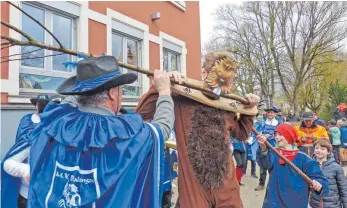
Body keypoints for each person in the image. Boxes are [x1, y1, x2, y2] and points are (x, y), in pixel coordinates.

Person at [11, 56, 185, 207]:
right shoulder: (129, 136)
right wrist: (163, 91)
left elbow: (66, 104)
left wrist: (85, 82)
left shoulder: (53, 124)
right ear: (112, 93)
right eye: (120, 90)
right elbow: (161, 128)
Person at [135, 52, 260, 207]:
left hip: (227, 191)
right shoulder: (182, 98)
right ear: (204, 73)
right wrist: (161, 88)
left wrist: (249, 110)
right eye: (218, 79)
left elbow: (241, 134)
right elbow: (141, 114)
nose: (221, 86)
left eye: (227, 82)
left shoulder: (227, 105)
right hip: (194, 192)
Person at [257, 123, 329, 208]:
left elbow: (320, 179)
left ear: (289, 136)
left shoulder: (303, 158)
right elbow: (264, 165)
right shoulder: (274, 153)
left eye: (280, 134)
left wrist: (318, 183)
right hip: (274, 202)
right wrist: (263, 148)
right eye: (275, 134)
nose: (276, 137)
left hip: (295, 202)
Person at [1, 95, 51, 208]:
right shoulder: (26, 119)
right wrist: (27, 171)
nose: (41, 106)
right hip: (26, 191)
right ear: (36, 105)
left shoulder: (52, 124)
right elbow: (20, 140)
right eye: (39, 103)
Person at [310, 138, 347, 208]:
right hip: (315, 204)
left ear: (328, 152)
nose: (319, 151)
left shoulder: (336, 167)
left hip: (333, 205)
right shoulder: (309, 166)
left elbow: (343, 189)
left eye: (322, 149)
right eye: (317, 148)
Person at [254, 106, 280, 191]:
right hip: (263, 147)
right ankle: (261, 184)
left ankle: (272, 184)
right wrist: (262, 136)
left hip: (274, 148)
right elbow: (257, 133)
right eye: (268, 112)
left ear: (275, 113)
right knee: (263, 166)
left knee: (273, 166)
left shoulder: (279, 123)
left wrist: (274, 136)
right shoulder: (262, 123)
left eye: (272, 112)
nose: (270, 114)